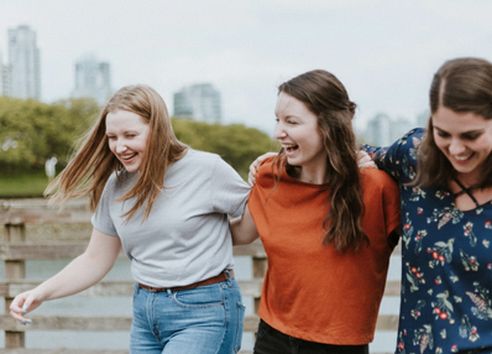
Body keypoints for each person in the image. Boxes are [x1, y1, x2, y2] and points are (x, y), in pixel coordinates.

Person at [9, 85, 250, 354]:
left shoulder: (207, 169)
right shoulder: (116, 186)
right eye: (112, 137)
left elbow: (255, 222)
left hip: (205, 312)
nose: (119, 147)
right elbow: (95, 259)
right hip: (146, 313)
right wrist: (40, 292)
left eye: (130, 135)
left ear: (157, 129)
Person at [231, 69, 401, 354]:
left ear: (329, 126)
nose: (277, 132)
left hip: (340, 345)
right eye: (277, 120)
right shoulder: (269, 176)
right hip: (272, 339)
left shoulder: (377, 188)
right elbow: (241, 233)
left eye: (292, 122)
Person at [362, 57, 492, 354]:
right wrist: (273, 166)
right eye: (443, 134)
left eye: (471, 135)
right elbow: (353, 155)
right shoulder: (414, 156)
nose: (456, 149)